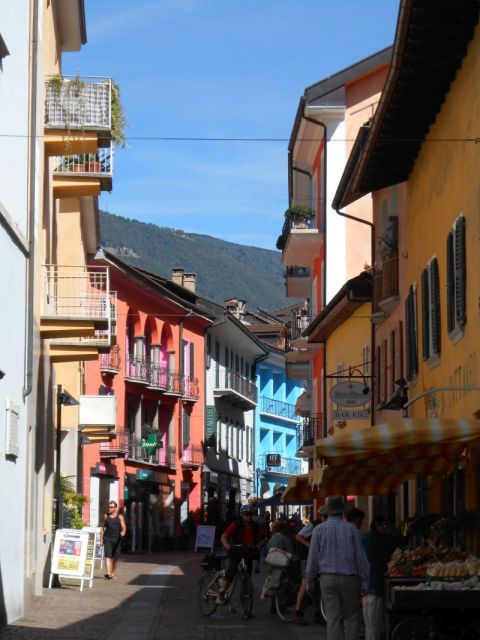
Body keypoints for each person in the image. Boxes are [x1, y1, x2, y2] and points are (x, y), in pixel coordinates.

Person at [306, 495, 369, 640]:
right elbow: (360, 557)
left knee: (333, 619)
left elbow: (312, 559)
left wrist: (309, 581)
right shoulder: (351, 528)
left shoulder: (318, 530)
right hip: (349, 579)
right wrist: (365, 581)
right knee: (351, 618)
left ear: (328, 511)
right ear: (343, 512)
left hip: (327, 579)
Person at [218, 504, 266, 604]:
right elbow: (224, 536)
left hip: (248, 552)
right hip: (236, 550)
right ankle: (222, 591)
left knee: (247, 575)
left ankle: (245, 599)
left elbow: (264, 539)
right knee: (233, 569)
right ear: (241, 515)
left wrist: (258, 545)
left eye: (249, 514)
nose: (248, 516)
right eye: (245, 514)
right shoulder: (236, 524)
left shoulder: (255, 526)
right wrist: (227, 545)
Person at [292, 505, 328, 625]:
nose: (327, 519)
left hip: (320, 558)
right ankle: (297, 611)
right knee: (305, 582)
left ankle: (318, 612)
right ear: (322, 517)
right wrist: (309, 545)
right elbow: (298, 536)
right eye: (326, 517)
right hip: (307, 557)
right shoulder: (314, 525)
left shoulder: (326, 527)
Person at [361, 515, 390, 640]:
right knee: (374, 622)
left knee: (370, 623)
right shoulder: (374, 539)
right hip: (374, 585)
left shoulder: (367, 538)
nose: (385, 528)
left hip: (367, 585)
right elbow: (375, 562)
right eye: (383, 526)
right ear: (377, 526)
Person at [261, 520, 293, 600]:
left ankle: (273, 603)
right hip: (282, 563)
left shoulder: (271, 539)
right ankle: (281, 603)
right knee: (284, 583)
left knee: (274, 581)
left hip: (272, 563)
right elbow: (290, 551)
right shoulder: (285, 538)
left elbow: (268, 550)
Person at [101, 500, 126, 580]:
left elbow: (123, 527)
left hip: (117, 539)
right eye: (109, 507)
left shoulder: (120, 517)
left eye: (111, 507)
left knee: (116, 558)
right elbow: (103, 528)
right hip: (107, 539)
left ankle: (113, 572)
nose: (109, 508)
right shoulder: (105, 516)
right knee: (107, 556)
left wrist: (123, 531)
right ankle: (108, 574)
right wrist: (101, 539)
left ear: (115, 508)